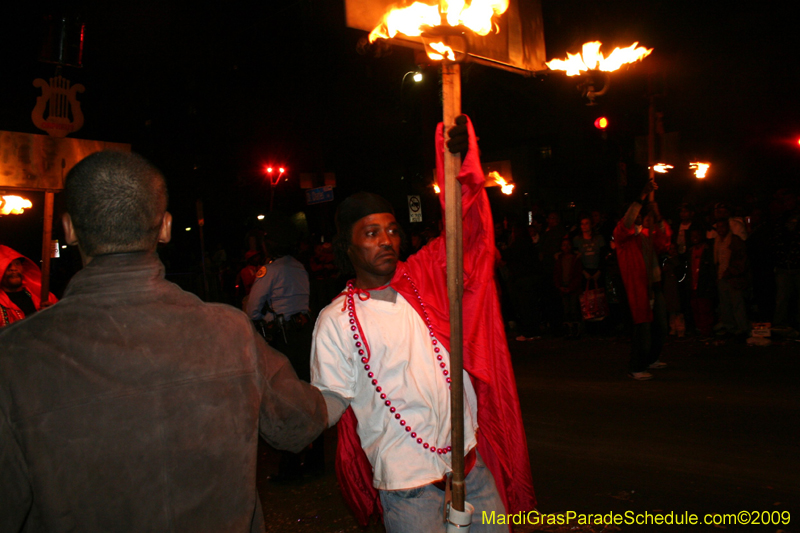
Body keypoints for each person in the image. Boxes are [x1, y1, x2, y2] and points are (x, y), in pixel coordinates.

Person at [0, 151, 327, 532]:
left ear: (69, 229)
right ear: (166, 227)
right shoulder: (230, 331)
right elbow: (300, 423)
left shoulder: (15, 354)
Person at [311, 116, 535, 532]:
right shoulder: (336, 320)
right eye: (371, 232)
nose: (386, 240)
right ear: (347, 246)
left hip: (471, 470)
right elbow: (329, 401)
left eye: (392, 231)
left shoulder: (426, 277)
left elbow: (469, 234)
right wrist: (286, 411)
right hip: (409, 492)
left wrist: (462, 168)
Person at [246, 219, 322, 482]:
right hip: (305, 335)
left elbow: (251, 310)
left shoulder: (270, 270)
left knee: (286, 398)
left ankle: (290, 466)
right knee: (309, 392)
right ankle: (316, 459)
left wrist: (267, 317)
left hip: (284, 340)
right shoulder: (299, 266)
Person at [613, 181, 672, 380]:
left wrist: (658, 216)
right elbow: (627, 222)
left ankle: (651, 358)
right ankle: (636, 366)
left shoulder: (646, 235)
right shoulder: (623, 237)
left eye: (640, 212)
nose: (638, 215)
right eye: (635, 212)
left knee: (661, 327)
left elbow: (664, 241)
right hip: (638, 288)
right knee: (643, 328)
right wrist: (642, 196)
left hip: (654, 286)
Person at [0, 245, 57, 327]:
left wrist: (55, 314)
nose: (13, 268)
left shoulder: (43, 297)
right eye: (7, 265)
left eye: (17, 263)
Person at [713, 217, 750, 337]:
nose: (720, 230)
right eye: (718, 227)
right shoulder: (717, 241)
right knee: (725, 304)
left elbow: (741, 259)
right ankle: (730, 327)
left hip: (733, 277)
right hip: (722, 277)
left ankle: (742, 327)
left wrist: (731, 271)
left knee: (737, 304)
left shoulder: (735, 241)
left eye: (722, 227)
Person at [554, 236, 583, 338]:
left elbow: (578, 275)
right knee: (566, 309)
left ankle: (575, 329)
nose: (566, 247)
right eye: (564, 245)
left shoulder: (575, 259)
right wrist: (560, 286)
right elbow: (557, 274)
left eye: (568, 245)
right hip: (563, 286)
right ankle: (568, 329)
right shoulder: (559, 259)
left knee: (573, 308)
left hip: (573, 288)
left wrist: (571, 287)